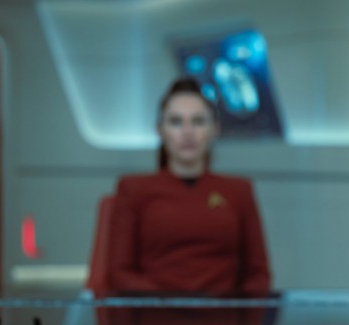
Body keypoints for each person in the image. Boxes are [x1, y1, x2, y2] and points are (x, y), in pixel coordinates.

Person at [106, 77, 271, 296]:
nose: (187, 132)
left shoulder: (239, 191)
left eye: (198, 121)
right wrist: (164, 304)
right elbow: (119, 273)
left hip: (222, 314)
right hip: (155, 312)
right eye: (176, 122)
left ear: (214, 129)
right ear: (160, 130)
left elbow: (258, 274)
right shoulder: (133, 189)